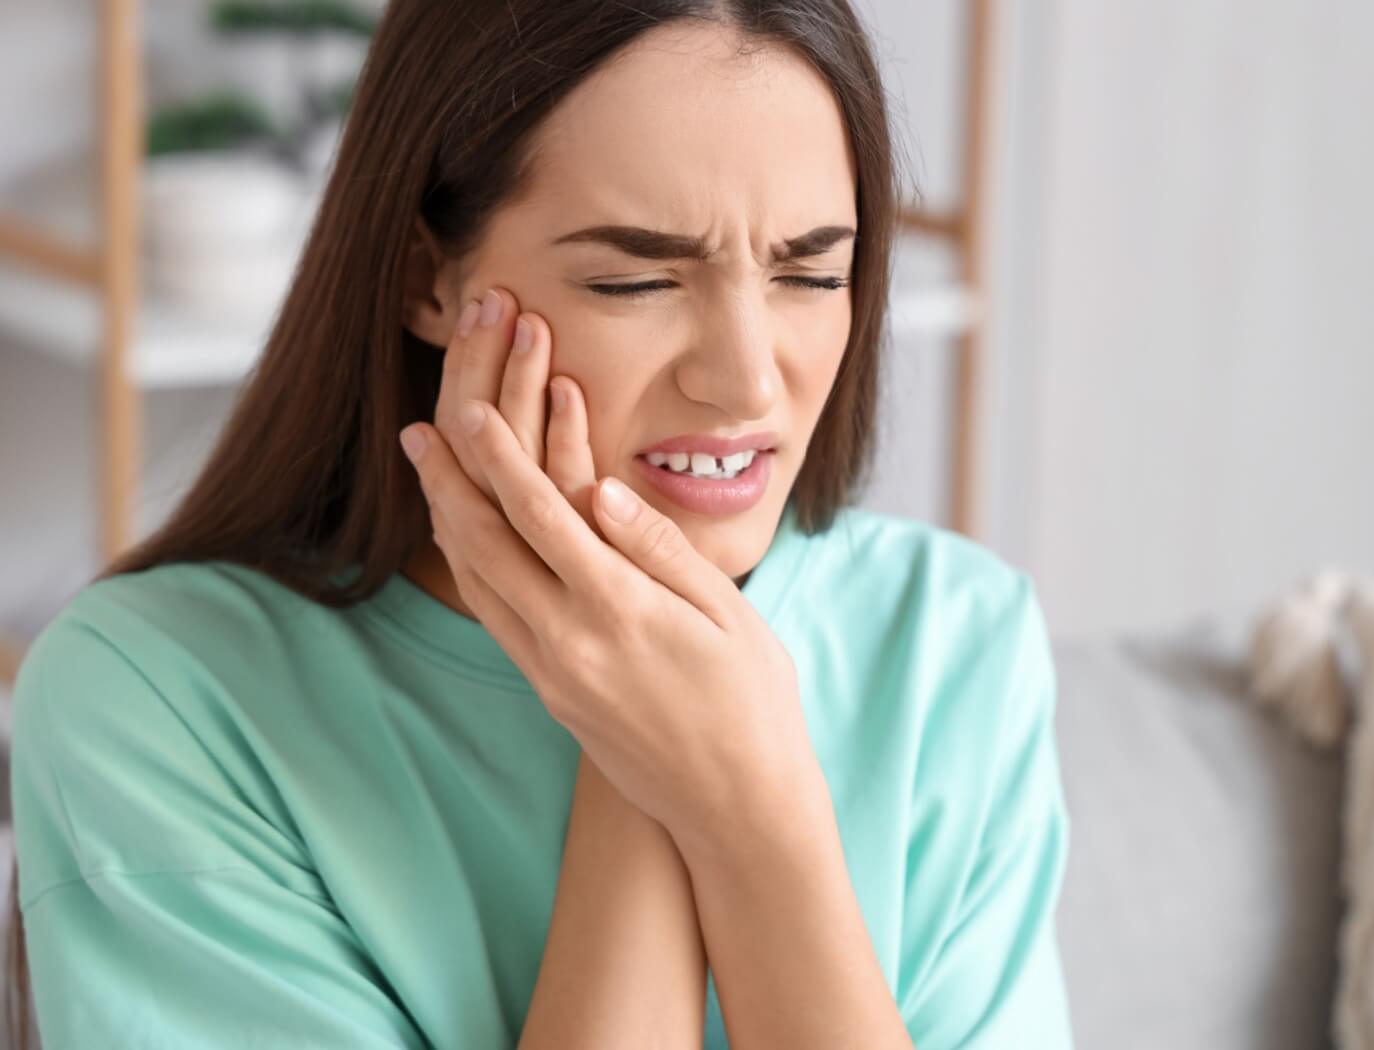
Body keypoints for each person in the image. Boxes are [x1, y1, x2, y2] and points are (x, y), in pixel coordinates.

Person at [7, 2, 1074, 1047]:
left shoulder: (953, 646)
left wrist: (756, 821)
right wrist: (634, 728)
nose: (746, 380)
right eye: (636, 278)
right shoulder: (161, 700)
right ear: (430, 281)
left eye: (811, 273)